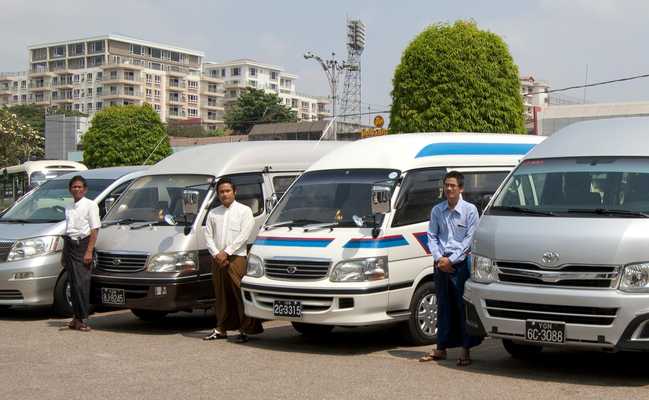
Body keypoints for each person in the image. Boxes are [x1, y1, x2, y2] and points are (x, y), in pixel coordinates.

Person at [419, 171, 482, 366]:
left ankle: (465, 349)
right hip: (441, 263)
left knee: (461, 306)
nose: (449, 189)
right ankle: (441, 347)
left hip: (460, 264)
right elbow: (432, 236)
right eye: (446, 185)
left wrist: (452, 260)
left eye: (453, 185)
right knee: (443, 306)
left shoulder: (470, 210)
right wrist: (439, 258)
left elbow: (469, 239)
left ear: (461, 188)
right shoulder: (437, 210)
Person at [203, 177, 263, 343]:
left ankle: (246, 329)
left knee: (239, 294)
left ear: (234, 192)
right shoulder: (214, 213)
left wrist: (227, 252)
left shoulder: (244, 211)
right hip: (218, 260)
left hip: (236, 258)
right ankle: (220, 328)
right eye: (221, 192)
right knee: (221, 295)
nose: (224, 194)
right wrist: (217, 254)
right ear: (217, 194)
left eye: (227, 191)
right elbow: (208, 236)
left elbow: (244, 235)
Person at [62, 175, 100, 332]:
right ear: (70, 189)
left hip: (83, 245)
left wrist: (89, 251)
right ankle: (76, 318)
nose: (76, 189)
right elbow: (68, 229)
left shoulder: (91, 205)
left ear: (85, 189)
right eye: (74, 187)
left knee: (81, 284)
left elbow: (95, 229)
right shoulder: (68, 206)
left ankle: (83, 319)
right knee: (72, 283)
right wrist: (64, 253)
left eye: (79, 187)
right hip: (69, 245)